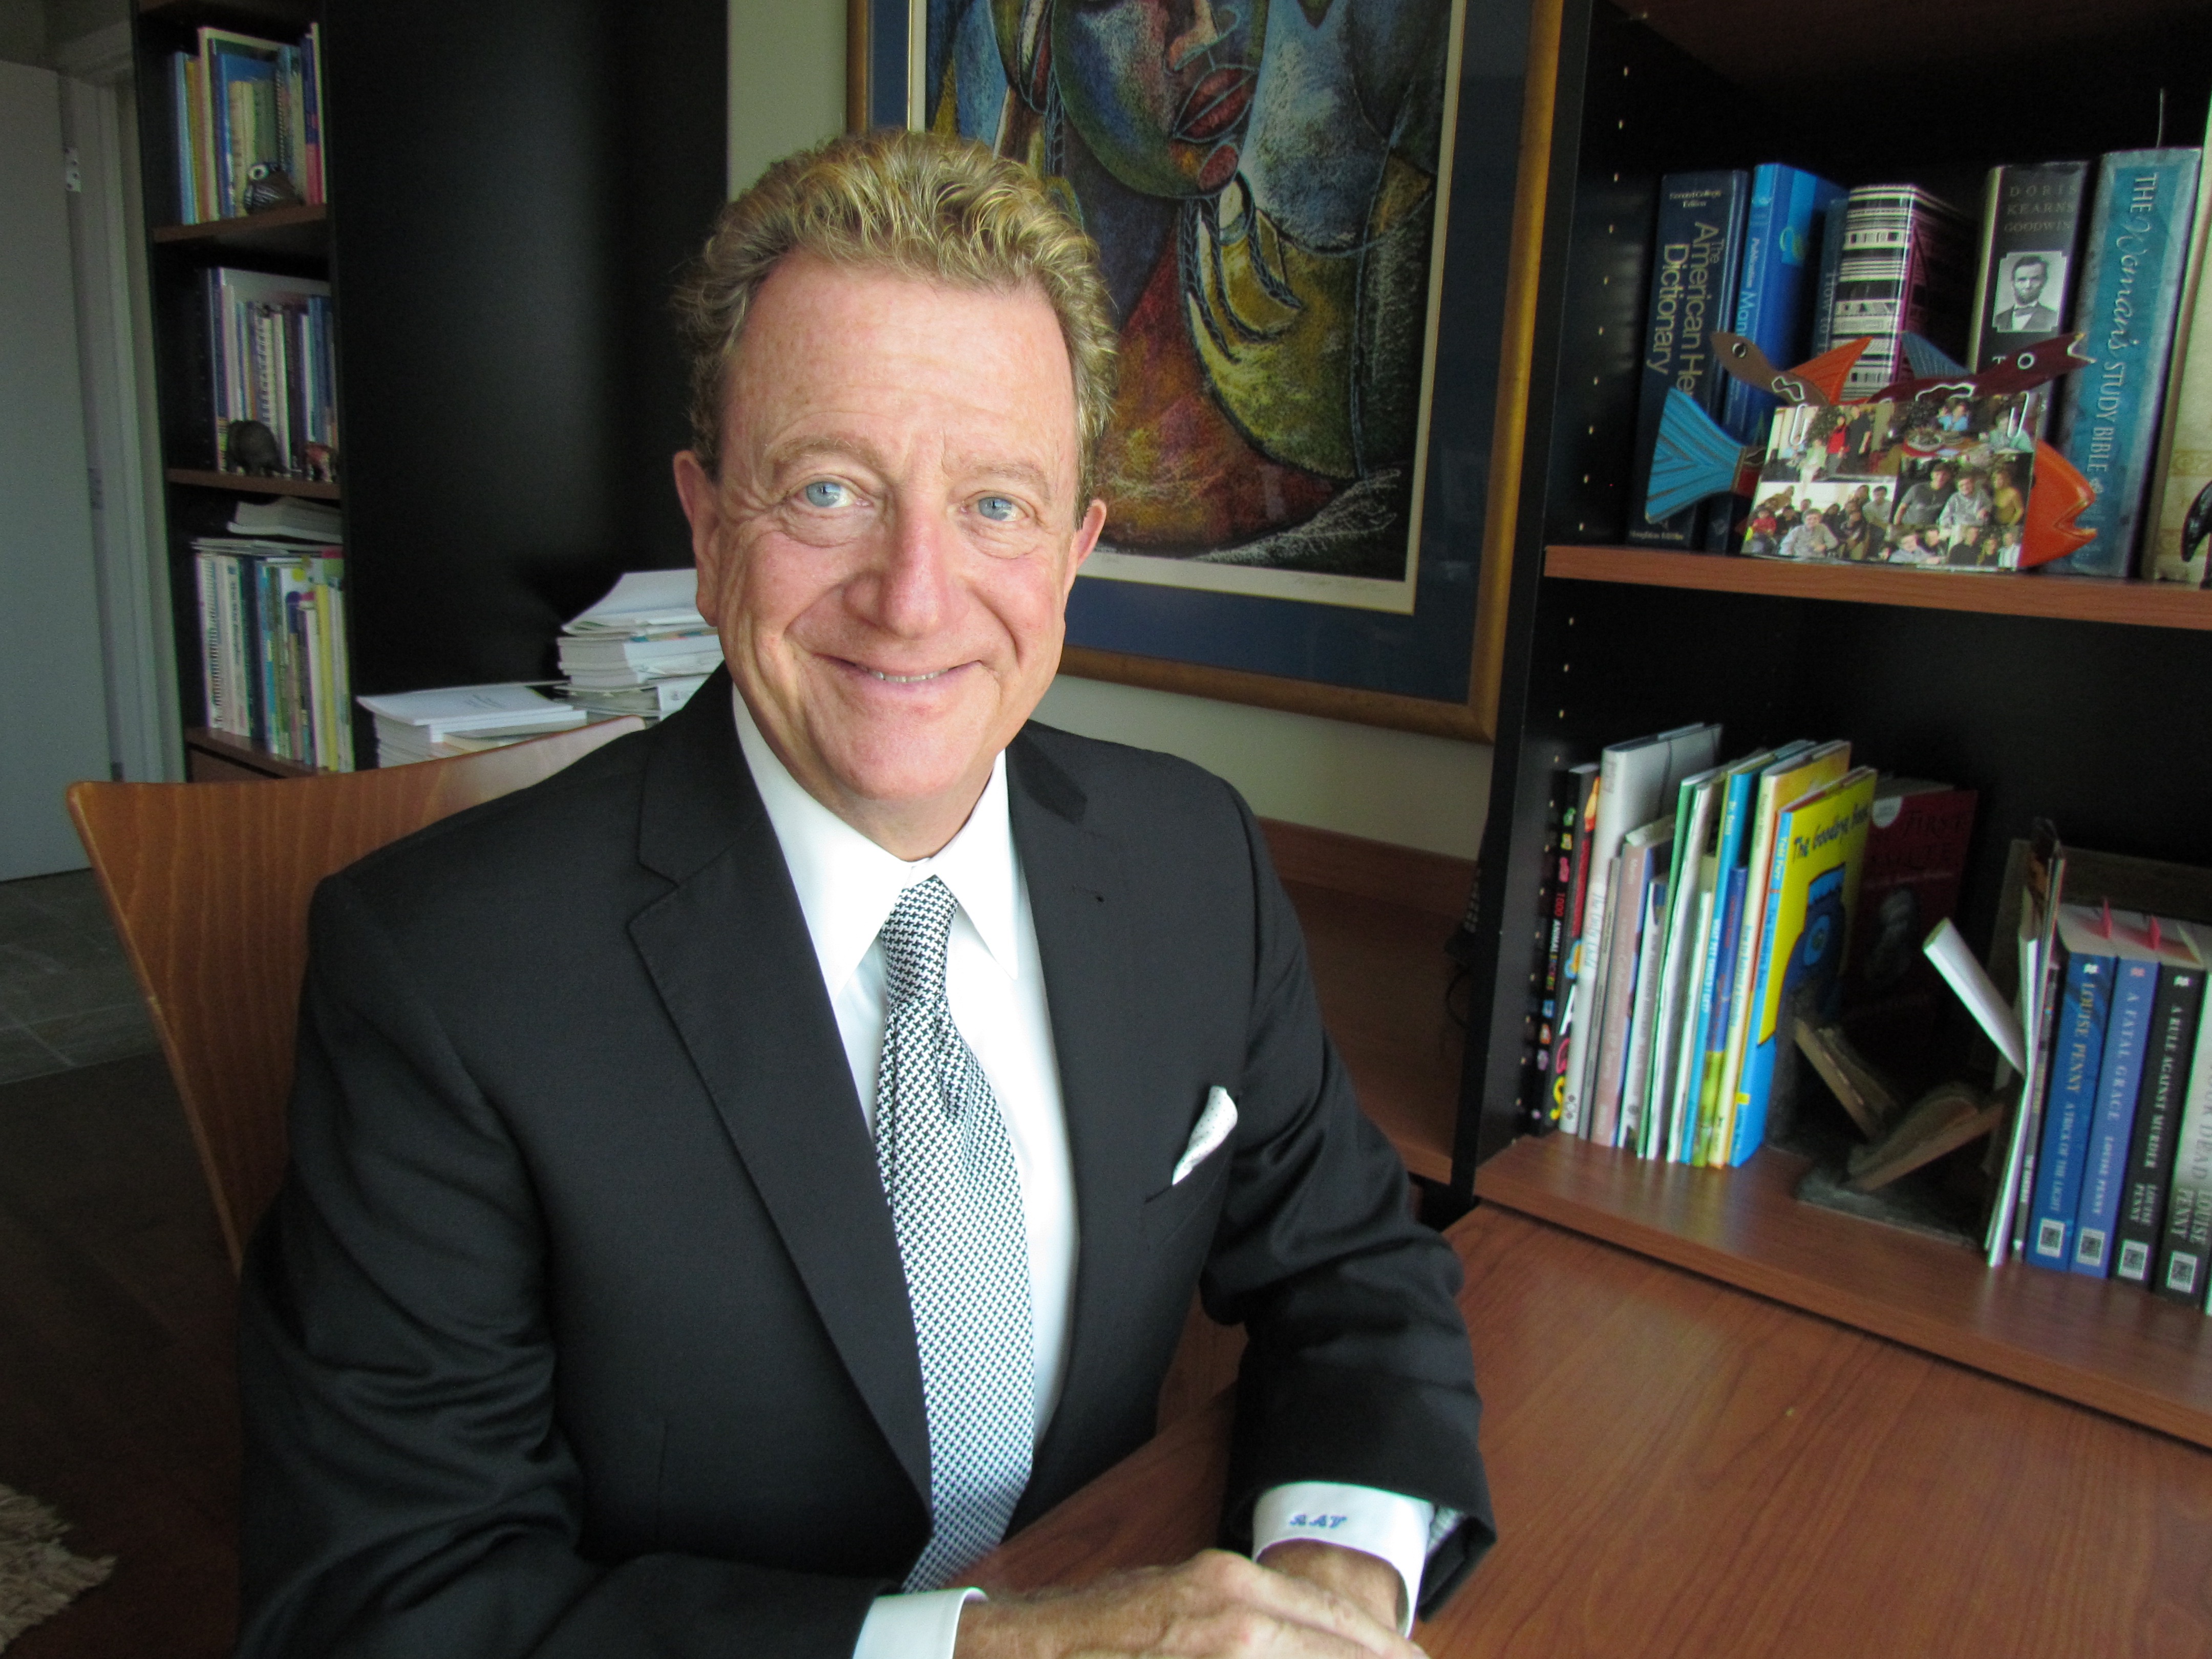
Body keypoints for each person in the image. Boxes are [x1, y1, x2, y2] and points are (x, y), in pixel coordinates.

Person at [232, 131, 1493, 1659]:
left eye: (998, 507)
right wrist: (1000, 1652)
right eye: (828, 490)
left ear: (1078, 550)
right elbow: (389, 1603)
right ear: (707, 528)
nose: (913, 598)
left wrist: (1341, 1586)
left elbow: (1355, 1263)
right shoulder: (436, 977)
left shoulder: (1193, 861)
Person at [1990, 252, 2060, 336]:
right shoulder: (1998, 319)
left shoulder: (2053, 318)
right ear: (2013, 283)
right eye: (2022, 280)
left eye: (2035, 279)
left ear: (2044, 282)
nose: (2028, 286)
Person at [1896, 462, 1955, 528]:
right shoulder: (1917, 489)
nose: (1940, 478)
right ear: (1932, 475)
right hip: (1909, 526)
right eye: (1937, 474)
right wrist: (1897, 526)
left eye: (1945, 475)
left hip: (1931, 528)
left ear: (1949, 476)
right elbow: (1902, 508)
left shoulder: (1950, 491)